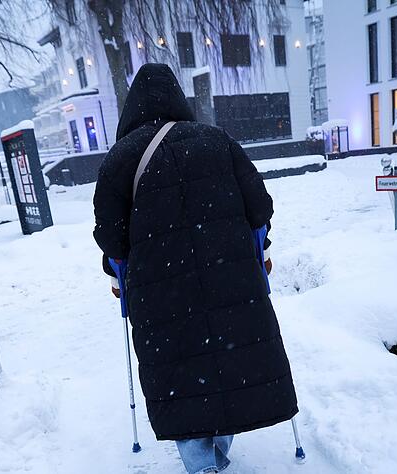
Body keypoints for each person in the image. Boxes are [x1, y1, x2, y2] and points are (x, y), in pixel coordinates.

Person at [93, 64, 297, 474]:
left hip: (160, 289)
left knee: (180, 369)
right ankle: (221, 444)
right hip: (229, 276)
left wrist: (118, 276)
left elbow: (111, 237)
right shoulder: (217, 141)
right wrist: (260, 250)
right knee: (228, 357)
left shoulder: (119, 159)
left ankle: (201, 462)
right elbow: (259, 207)